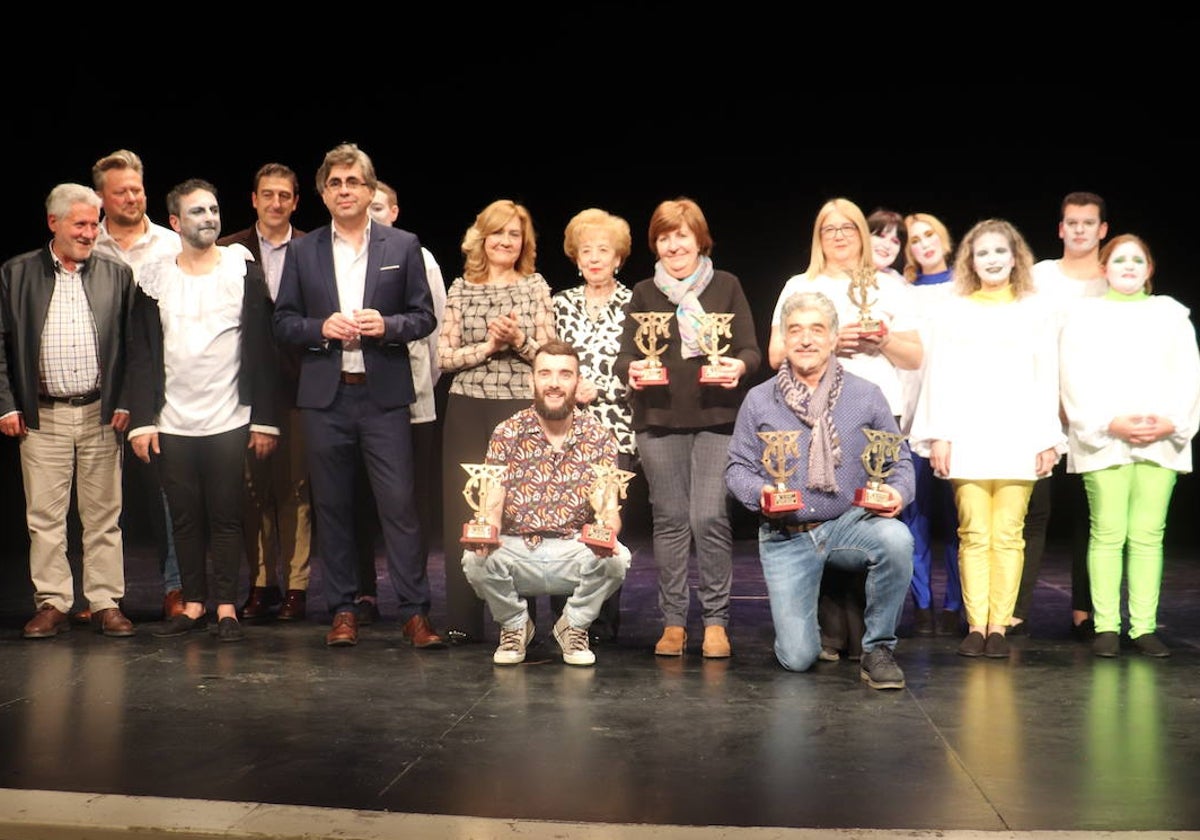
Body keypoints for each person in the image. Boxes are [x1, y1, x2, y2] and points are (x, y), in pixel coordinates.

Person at [273, 143, 443, 649]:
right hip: (326, 398)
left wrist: (386, 325)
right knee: (333, 508)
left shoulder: (401, 245)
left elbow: (425, 317)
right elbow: (282, 323)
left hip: (383, 398)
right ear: (323, 194)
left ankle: (414, 612)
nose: (344, 191)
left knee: (399, 507)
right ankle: (343, 609)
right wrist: (320, 327)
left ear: (371, 191)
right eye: (335, 184)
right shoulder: (303, 251)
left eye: (354, 183)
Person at [725, 291, 913, 688]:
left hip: (849, 525)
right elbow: (737, 468)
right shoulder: (760, 400)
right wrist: (760, 493)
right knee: (798, 659)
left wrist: (898, 492)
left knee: (896, 539)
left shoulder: (866, 395)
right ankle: (811, 618)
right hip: (786, 534)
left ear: (832, 338)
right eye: (795, 330)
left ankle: (878, 648)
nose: (806, 339)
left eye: (816, 330)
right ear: (784, 340)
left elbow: (900, 460)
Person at [766, 198, 922, 661]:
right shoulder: (802, 284)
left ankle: (872, 636)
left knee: (874, 519)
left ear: (861, 234)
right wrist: (833, 345)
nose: (838, 235)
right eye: (828, 228)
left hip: (879, 413)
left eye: (847, 228)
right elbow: (777, 355)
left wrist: (881, 339)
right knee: (824, 515)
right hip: (813, 416)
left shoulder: (890, 286)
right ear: (818, 236)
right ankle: (831, 632)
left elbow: (915, 356)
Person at [126, 179, 279, 643]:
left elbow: (262, 348)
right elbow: (142, 353)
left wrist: (265, 417)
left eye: (213, 209)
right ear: (175, 222)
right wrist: (142, 421)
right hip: (173, 419)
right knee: (185, 516)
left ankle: (227, 605)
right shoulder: (155, 278)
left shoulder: (241, 269)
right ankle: (193, 603)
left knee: (227, 514)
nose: (209, 218)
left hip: (229, 416)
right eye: (197, 212)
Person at [908, 218, 1064, 659]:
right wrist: (938, 435)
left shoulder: (1036, 309)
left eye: (1000, 251)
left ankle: (999, 625)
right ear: (970, 261)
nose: (992, 259)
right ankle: (976, 625)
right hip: (967, 433)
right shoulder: (953, 310)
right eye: (983, 253)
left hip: (1019, 433)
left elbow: (1046, 376)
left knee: (1009, 534)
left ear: (1015, 257)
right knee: (974, 532)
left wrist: (1047, 437)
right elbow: (939, 375)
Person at [614, 197, 760, 658]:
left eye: (682, 235)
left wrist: (736, 364)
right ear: (655, 245)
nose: (673, 245)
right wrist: (632, 371)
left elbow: (753, 351)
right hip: (658, 421)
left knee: (710, 517)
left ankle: (716, 623)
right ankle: (674, 622)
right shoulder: (643, 292)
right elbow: (625, 355)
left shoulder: (727, 286)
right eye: (664, 237)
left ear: (699, 239)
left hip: (717, 419)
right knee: (671, 521)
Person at [0, 183, 137, 639]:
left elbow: (132, 345)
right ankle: (53, 601)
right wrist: (7, 404)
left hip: (100, 413)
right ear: (53, 223)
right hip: (43, 416)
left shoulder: (116, 273)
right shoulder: (16, 273)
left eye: (94, 223)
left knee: (103, 515)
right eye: (79, 223)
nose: (89, 231)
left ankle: (104, 601)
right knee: (45, 517)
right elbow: (1, 347)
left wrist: (125, 399)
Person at [1059, 234, 1200, 657]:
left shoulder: (1172, 314)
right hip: (1105, 439)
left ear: (1149, 268)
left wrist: (1170, 422)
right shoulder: (1084, 316)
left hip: (1162, 438)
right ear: (1104, 268)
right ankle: (1106, 625)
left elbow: (1188, 375)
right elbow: (1073, 378)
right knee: (1107, 532)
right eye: (1119, 259)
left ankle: (1142, 627)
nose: (1128, 265)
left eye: (1138, 259)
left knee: (1147, 535)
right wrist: (1108, 422)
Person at [462, 340, 631, 666]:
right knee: (473, 559)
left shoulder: (598, 436)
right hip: (517, 550)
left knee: (618, 559)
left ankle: (574, 626)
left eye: (564, 374)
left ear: (577, 382)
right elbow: (492, 502)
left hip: (573, 549)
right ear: (533, 381)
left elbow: (609, 509)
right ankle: (514, 626)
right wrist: (487, 531)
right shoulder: (507, 432)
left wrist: (607, 532)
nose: (554, 382)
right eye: (546, 374)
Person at [438, 199, 556, 644]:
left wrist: (518, 340)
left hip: (519, 408)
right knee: (466, 511)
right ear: (481, 238)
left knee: (520, 514)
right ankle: (463, 620)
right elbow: (445, 358)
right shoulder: (461, 289)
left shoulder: (535, 286)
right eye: (498, 233)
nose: (506, 241)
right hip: (468, 404)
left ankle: (518, 622)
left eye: (514, 234)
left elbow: (547, 356)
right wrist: (487, 348)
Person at [90, 149, 185, 621]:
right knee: (99, 495)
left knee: (168, 491)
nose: (131, 197)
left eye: (137, 189)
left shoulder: (170, 244)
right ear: (101, 197)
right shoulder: (88, 241)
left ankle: (175, 586)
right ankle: (100, 594)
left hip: (161, 382)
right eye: (121, 191)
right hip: (98, 381)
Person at [216, 163, 311, 623]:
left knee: (294, 490)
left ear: (295, 201)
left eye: (285, 196)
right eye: (267, 195)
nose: (276, 203)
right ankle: (260, 584)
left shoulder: (313, 247)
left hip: (298, 386)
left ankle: (296, 587)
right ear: (253, 199)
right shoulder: (228, 251)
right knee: (251, 492)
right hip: (242, 387)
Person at [351, 180, 446, 624]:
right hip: (362, 400)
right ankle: (364, 593)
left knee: (408, 503)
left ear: (395, 211)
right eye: (366, 207)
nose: (372, 215)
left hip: (414, 401)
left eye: (379, 208)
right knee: (361, 499)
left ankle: (413, 596)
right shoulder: (346, 258)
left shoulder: (416, 256)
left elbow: (436, 326)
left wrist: (423, 385)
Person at [1017, 191, 1110, 639]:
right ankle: (1015, 610)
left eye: (1088, 223)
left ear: (1101, 230)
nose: (1079, 229)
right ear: (1060, 228)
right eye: (1071, 222)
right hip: (1043, 409)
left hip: (1095, 412)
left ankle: (1085, 610)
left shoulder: (1114, 278)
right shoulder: (1040, 277)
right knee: (1035, 510)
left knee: (1091, 512)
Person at [550, 207, 637, 644]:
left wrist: (598, 388)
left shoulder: (635, 302)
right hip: (563, 430)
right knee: (562, 522)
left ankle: (599, 623)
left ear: (618, 257)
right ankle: (562, 616)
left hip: (615, 428)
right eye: (587, 251)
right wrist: (570, 390)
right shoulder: (559, 303)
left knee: (603, 524)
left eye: (604, 250)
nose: (596, 258)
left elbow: (644, 364)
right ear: (576, 258)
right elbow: (547, 358)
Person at [897, 212, 962, 637]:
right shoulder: (900, 292)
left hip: (957, 416)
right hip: (912, 415)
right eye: (914, 239)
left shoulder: (966, 289)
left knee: (960, 519)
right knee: (914, 516)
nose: (923, 243)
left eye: (929, 234)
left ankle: (958, 604)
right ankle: (921, 604)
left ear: (944, 238)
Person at [867, 207, 906, 280]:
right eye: (881, 236)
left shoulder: (899, 282)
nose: (887, 245)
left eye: (895, 241)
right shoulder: (842, 276)